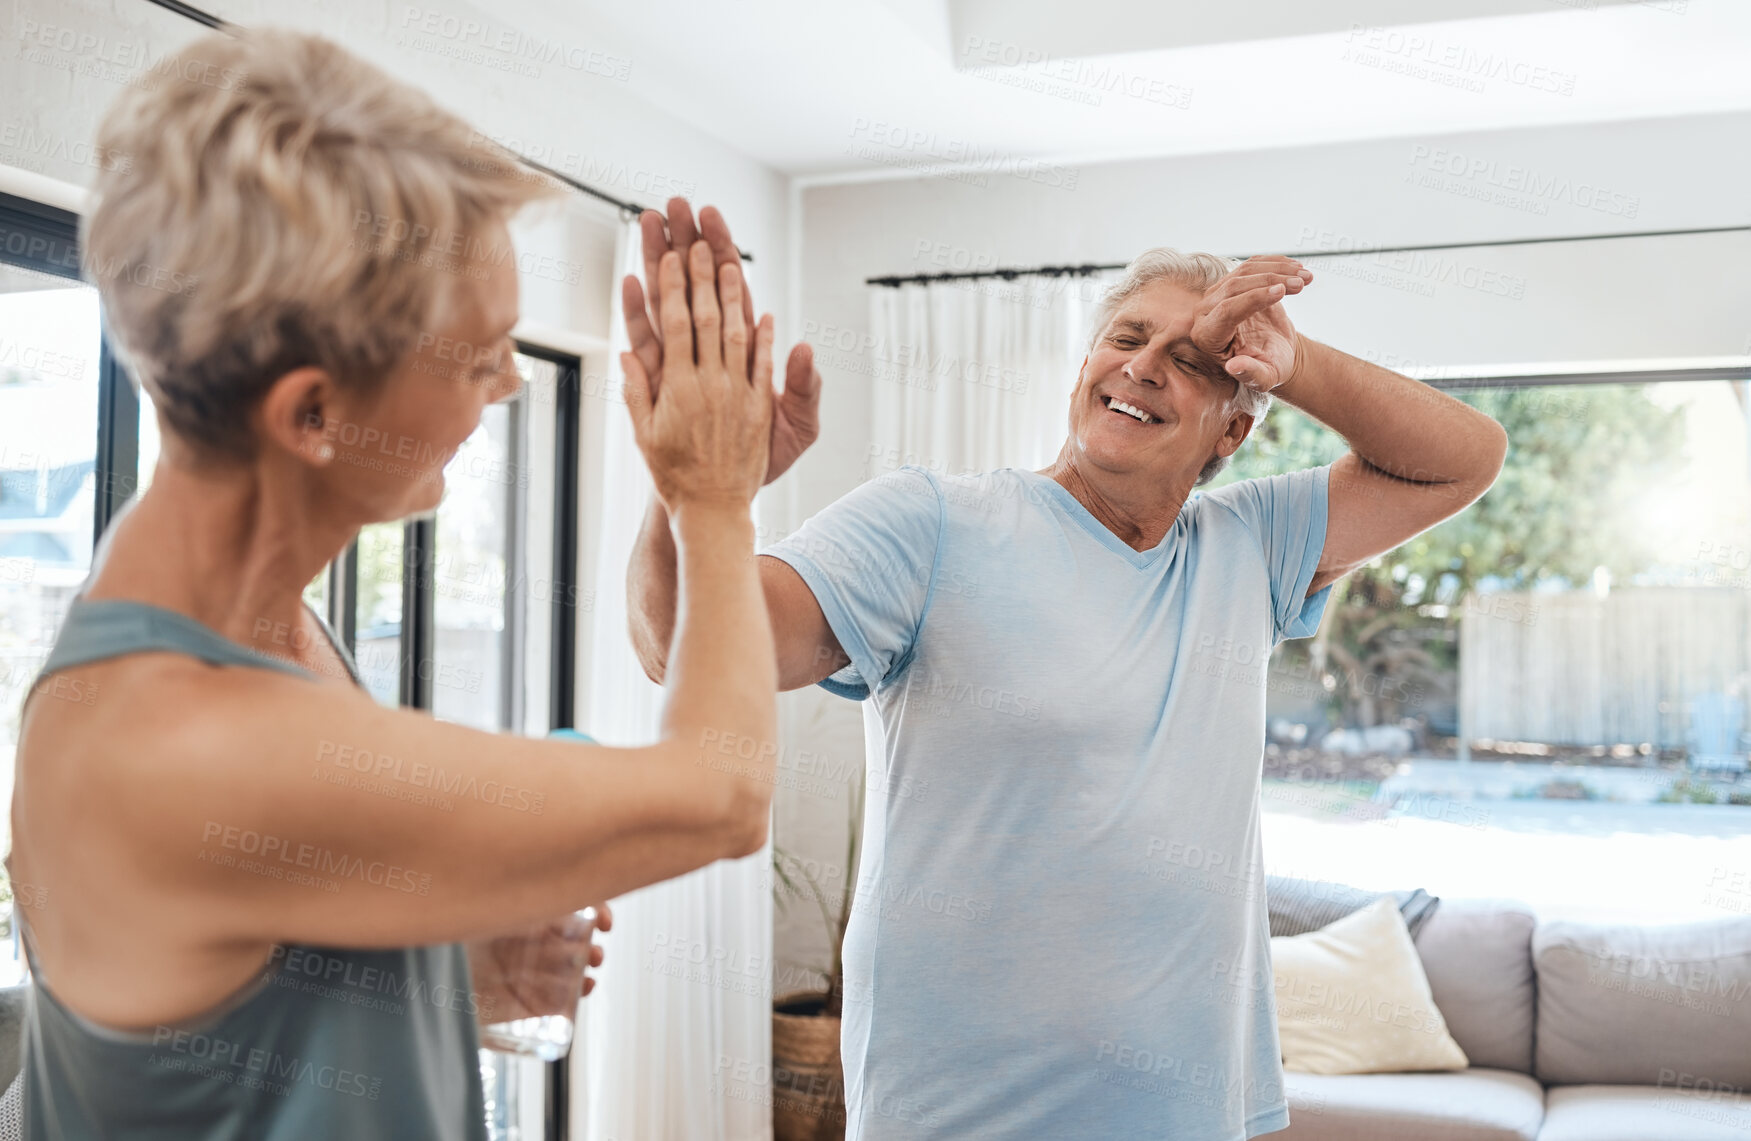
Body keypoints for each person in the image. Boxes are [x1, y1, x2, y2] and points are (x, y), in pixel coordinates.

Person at [9, 29, 781, 1140]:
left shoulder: (249, 616)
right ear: (311, 415)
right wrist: (714, 497)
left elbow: (224, 979)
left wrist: (448, 979)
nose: (510, 383)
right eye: (476, 358)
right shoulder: (176, 738)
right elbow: (720, 795)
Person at [626, 203, 1509, 1138]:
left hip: (1187, 1112)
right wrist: (696, 491)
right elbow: (679, 642)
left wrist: (1294, 362)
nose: (1142, 364)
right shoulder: (929, 522)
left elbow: (1462, 458)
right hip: (956, 1116)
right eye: (1125, 338)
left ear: (1231, 430)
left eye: (1195, 359)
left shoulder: (1249, 544)